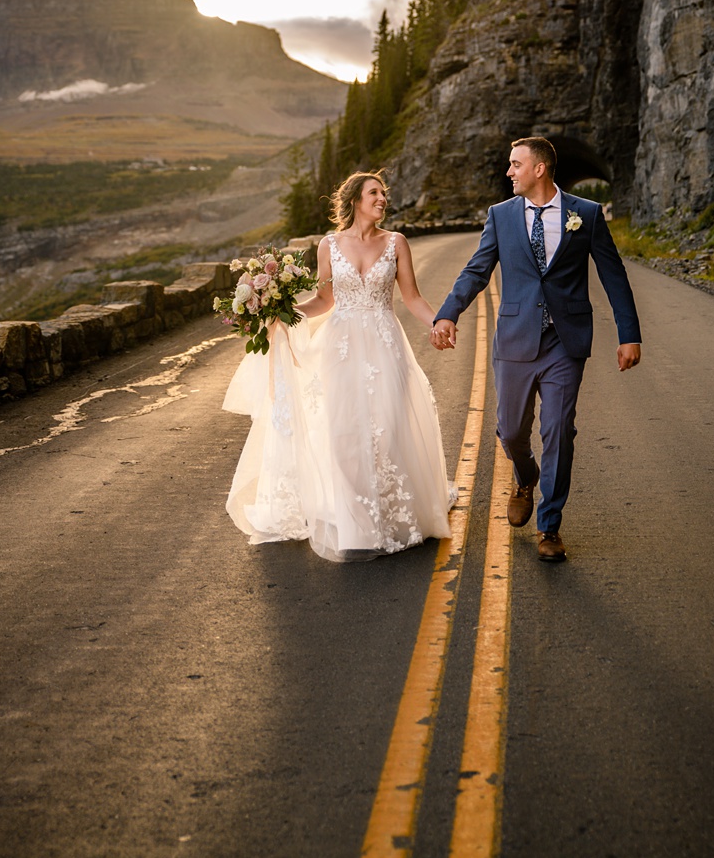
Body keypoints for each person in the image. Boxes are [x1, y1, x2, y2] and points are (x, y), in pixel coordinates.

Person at [224, 171, 454, 562]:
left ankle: (393, 516)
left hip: (385, 344)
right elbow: (324, 301)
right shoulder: (328, 245)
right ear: (354, 200)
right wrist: (283, 312)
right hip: (341, 348)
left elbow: (412, 296)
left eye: (384, 194)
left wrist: (439, 322)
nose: (382, 199)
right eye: (374, 193)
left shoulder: (396, 243)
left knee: (388, 427)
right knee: (345, 434)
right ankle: (358, 525)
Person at [431, 137, 641, 563]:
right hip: (515, 339)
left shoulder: (585, 214)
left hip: (566, 341)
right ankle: (525, 478)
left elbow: (613, 275)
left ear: (539, 169)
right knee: (510, 431)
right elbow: (477, 269)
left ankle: (550, 525)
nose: (509, 172)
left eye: (515, 164)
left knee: (558, 430)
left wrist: (629, 334)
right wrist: (447, 313)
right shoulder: (501, 216)